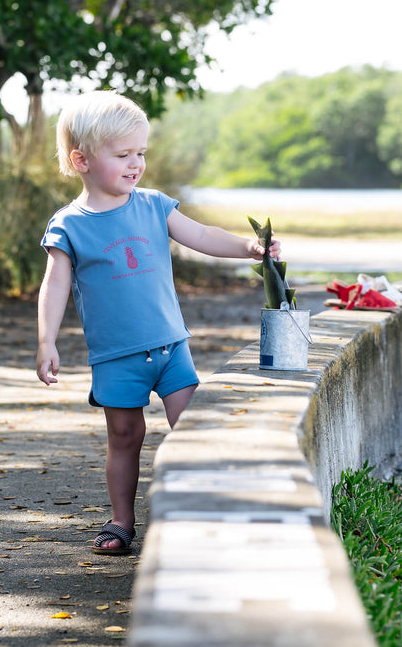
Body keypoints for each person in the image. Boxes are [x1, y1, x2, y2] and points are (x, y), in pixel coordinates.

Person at [36, 90, 281, 555]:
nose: (136, 164)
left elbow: (202, 236)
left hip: (171, 348)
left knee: (189, 428)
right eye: (123, 154)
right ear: (81, 160)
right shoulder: (69, 225)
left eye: (141, 153)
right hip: (115, 358)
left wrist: (248, 248)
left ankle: (199, 512)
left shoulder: (153, 205)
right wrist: (46, 341)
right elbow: (55, 286)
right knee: (125, 437)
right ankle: (122, 522)